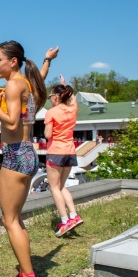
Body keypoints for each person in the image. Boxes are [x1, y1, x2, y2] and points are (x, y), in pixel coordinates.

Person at [0, 40, 57, 277]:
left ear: (13, 61)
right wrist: (47, 61)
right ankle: (24, 275)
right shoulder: (27, 84)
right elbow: (39, 80)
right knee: (16, 218)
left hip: (15, 153)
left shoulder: (12, 85)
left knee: (9, 220)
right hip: (27, 152)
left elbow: (12, 120)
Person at [45, 75, 83, 237]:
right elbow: (73, 99)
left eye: (50, 96)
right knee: (61, 186)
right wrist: (65, 86)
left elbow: (47, 135)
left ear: (55, 97)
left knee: (54, 187)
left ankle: (64, 220)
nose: (50, 99)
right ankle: (74, 215)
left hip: (55, 151)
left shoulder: (51, 112)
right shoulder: (73, 109)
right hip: (70, 151)